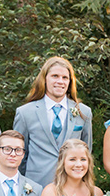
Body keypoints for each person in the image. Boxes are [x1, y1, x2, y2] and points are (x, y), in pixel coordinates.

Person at [13, 56, 93, 188]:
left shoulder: (83, 112)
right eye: (55, 76)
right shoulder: (25, 113)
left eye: (65, 78)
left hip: (72, 186)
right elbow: (19, 155)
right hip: (36, 185)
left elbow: (87, 151)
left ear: (70, 82)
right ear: (44, 79)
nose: (60, 81)